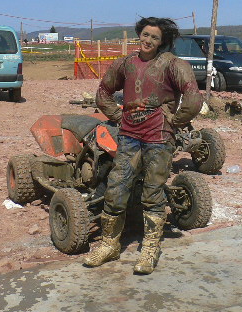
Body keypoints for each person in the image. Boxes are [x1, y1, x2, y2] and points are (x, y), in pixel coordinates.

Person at [84, 17, 203, 274]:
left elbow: (193, 97)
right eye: (145, 35)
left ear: (162, 42)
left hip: (158, 138)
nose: (148, 40)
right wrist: (118, 116)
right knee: (116, 189)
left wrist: (174, 121)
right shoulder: (126, 63)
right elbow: (103, 93)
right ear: (139, 34)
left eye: (155, 37)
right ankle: (109, 245)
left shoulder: (173, 64)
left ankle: (149, 249)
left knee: (153, 192)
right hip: (128, 136)